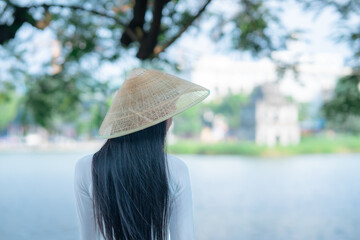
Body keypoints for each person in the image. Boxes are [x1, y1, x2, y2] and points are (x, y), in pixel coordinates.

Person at [74, 68, 210, 240]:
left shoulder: (87, 166)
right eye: (170, 114)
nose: (171, 121)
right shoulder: (175, 168)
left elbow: (87, 237)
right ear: (158, 122)